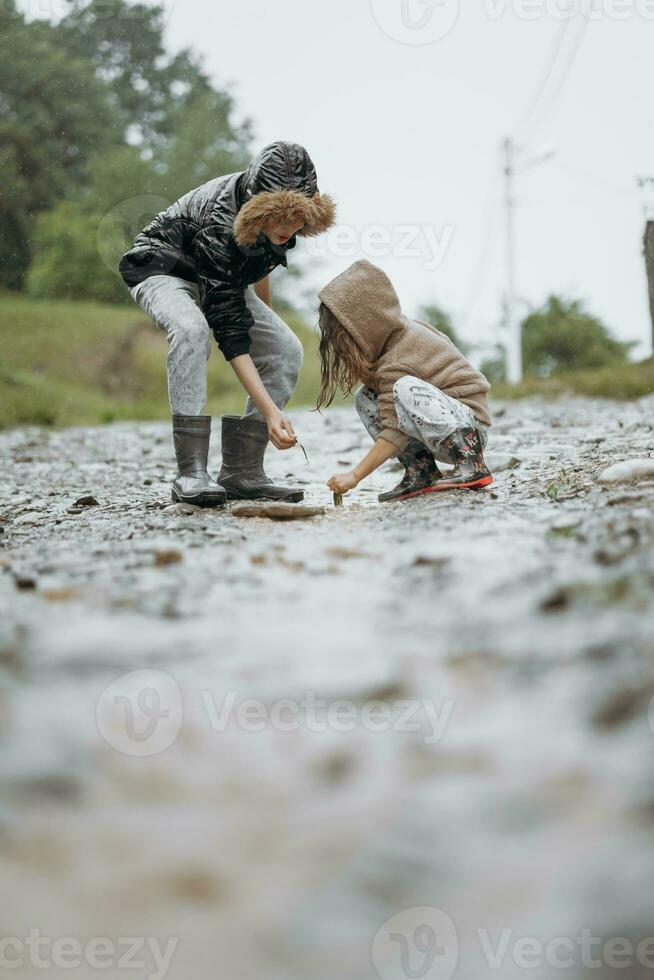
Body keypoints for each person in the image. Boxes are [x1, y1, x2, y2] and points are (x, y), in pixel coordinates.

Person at [119, 141, 335, 505]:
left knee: (286, 349)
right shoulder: (219, 225)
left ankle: (242, 472)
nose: (289, 226)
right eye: (280, 217)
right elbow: (229, 332)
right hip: (163, 267)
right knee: (192, 330)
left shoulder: (278, 223)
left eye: (298, 216)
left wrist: (267, 324)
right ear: (257, 207)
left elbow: (259, 264)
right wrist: (271, 412)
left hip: (220, 278)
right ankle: (190, 474)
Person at [318, 260, 493, 502]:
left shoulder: (399, 357)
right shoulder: (395, 338)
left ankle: (471, 465)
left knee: (405, 388)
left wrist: (354, 476)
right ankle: (421, 471)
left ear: (366, 324)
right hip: (441, 422)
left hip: (469, 429)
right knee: (366, 397)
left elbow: (396, 429)